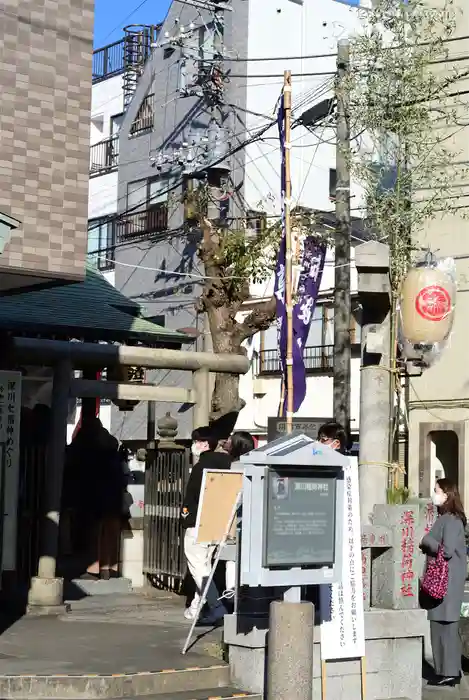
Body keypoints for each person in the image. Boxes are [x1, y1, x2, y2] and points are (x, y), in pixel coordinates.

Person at [419, 478, 467, 688]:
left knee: (445, 626)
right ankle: (446, 670)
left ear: (447, 494)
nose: (434, 494)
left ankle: (449, 672)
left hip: (445, 581)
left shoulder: (451, 520)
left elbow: (445, 550)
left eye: (437, 490)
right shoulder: (448, 518)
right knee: (441, 625)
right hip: (445, 580)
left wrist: (426, 540)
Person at [181, 426, 231, 624]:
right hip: (218, 522)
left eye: (195, 442)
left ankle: (216, 606)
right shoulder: (228, 465)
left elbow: (191, 497)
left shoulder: (201, 467)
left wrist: (186, 517)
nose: (194, 446)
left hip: (197, 522)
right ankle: (196, 608)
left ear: (203, 444)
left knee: (198, 567)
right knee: (205, 565)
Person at [67, 417, 126, 580]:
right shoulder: (113, 451)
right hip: (114, 498)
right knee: (111, 534)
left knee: (95, 534)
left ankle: (96, 568)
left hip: (95, 498)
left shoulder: (89, 449)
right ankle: (110, 568)